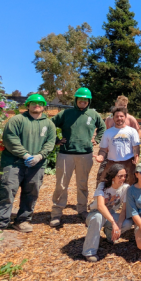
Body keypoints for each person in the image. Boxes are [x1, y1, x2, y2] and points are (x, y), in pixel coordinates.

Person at [0, 94, 56, 237]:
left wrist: (39, 156)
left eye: (40, 103)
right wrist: (25, 154)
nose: (37, 105)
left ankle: (22, 220)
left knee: (32, 192)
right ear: (28, 105)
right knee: (7, 190)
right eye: (33, 103)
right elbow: (10, 139)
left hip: (36, 164)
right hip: (14, 163)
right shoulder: (17, 120)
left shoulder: (48, 124)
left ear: (44, 106)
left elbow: (50, 143)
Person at [50, 87, 106, 226]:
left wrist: (97, 140)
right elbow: (50, 124)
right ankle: (56, 213)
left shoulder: (93, 114)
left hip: (85, 154)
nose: (83, 101)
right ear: (76, 100)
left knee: (82, 184)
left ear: (89, 101)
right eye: (80, 99)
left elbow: (103, 127)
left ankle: (81, 210)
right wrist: (57, 140)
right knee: (61, 185)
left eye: (85, 99)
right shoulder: (66, 113)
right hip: (66, 154)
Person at [82, 164, 133, 262]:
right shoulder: (102, 186)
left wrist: (119, 224)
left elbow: (124, 210)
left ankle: (110, 235)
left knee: (127, 223)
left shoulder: (126, 188)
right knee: (98, 218)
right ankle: (89, 252)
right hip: (95, 213)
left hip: (110, 214)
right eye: (120, 176)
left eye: (124, 176)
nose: (123, 178)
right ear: (113, 177)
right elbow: (100, 206)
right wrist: (114, 223)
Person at [97, 95, 141, 182]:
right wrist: (101, 155)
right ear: (116, 104)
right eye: (121, 105)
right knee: (103, 178)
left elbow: (138, 133)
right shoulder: (109, 120)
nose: (119, 118)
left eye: (124, 106)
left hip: (128, 158)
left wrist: (135, 147)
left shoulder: (131, 119)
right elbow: (106, 139)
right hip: (111, 156)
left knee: (130, 182)